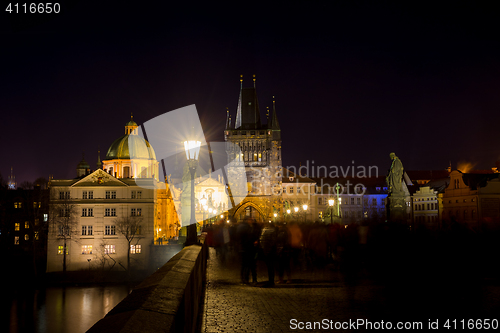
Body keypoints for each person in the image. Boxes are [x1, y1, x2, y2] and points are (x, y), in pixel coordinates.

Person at [259, 223, 277, 287]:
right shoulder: (273, 231)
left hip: (266, 250)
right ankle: (271, 280)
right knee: (271, 266)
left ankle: (271, 281)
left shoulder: (264, 231)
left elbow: (261, 240)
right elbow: (273, 241)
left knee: (270, 266)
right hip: (270, 250)